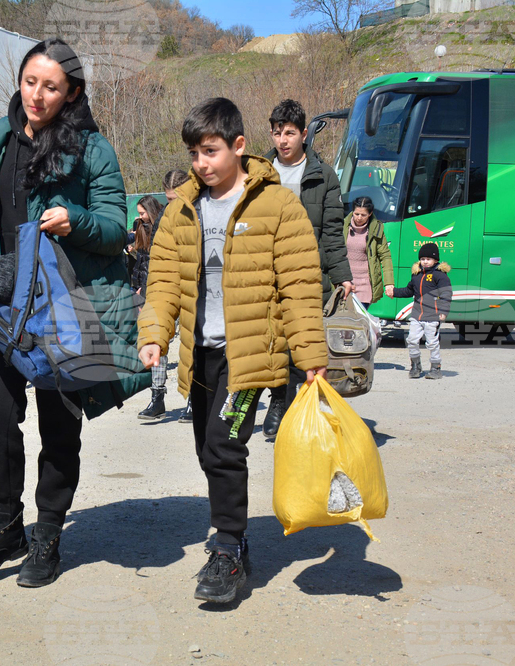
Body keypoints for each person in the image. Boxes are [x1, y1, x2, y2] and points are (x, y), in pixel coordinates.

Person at [0, 38, 147, 588]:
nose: (37, 95)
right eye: (30, 82)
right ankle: (6, 524)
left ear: (72, 94)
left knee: (59, 428)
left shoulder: (93, 149)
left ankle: (48, 533)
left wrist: (77, 221)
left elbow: (118, 228)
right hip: (2, 307)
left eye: (51, 86)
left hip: (63, 306)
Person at [137, 97, 327, 604]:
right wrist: (154, 335)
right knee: (207, 449)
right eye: (194, 153)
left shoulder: (278, 205)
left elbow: (301, 283)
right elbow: (161, 285)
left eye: (211, 151)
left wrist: (310, 357)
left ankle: (228, 550)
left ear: (239, 146)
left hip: (249, 357)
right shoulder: (181, 209)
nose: (201, 163)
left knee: (223, 445)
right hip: (201, 356)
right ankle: (234, 532)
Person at [261, 99, 353, 441]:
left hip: (308, 274)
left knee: (307, 343)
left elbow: (332, 231)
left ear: (303, 134)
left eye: (289, 133)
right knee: (274, 344)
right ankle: (278, 402)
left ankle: (306, 406)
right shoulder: (258, 173)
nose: (283, 140)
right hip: (267, 275)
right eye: (277, 133)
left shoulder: (324, 175)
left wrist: (343, 275)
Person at [155, 168, 193, 422]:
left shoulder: (198, 213)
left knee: (191, 346)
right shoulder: (164, 217)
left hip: (192, 286)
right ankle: (157, 396)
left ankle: (193, 399)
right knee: (159, 338)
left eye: (175, 200)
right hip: (168, 285)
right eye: (168, 200)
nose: (172, 206)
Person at [131, 195, 168, 420]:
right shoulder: (143, 229)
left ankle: (195, 400)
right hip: (149, 293)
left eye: (142, 213)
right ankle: (157, 397)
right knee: (157, 343)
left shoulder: (165, 227)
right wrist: (139, 289)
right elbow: (142, 262)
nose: (139, 217)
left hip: (168, 290)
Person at [392, 242, 452, 380]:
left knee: (432, 343)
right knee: (412, 340)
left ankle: (436, 368)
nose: (425, 262)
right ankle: (415, 366)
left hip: (433, 315)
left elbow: (446, 293)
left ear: (436, 260)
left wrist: (443, 311)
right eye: (423, 259)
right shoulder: (416, 275)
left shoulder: (440, 275)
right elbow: (408, 291)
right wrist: (394, 292)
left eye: (428, 259)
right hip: (417, 315)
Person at [343, 196, 395, 309]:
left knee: (359, 321)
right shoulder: (343, 226)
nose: (359, 218)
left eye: (363, 215)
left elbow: (385, 256)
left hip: (364, 285)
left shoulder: (376, 229)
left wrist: (389, 283)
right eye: (356, 214)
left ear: (370, 214)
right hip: (344, 282)